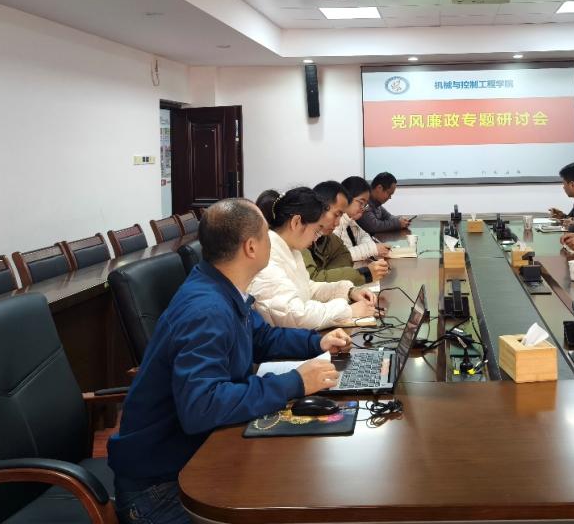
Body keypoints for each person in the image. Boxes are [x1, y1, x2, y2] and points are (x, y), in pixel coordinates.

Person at [107, 198, 350, 524]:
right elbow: (202, 405)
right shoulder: (206, 309)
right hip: (162, 488)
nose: (272, 240)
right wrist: (295, 382)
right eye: (266, 234)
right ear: (251, 247)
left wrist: (317, 342)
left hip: (195, 455)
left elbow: (262, 338)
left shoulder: (221, 287)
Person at [249, 187, 377, 329]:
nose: (316, 238)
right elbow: (296, 315)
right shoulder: (267, 256)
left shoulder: (292, 249)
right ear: (296, 222)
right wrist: (348, 311)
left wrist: (349, 291)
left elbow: (307, 289)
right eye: (316, 230)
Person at [308, 180, 388, 284]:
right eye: (361, 203)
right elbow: (313, 280)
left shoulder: (330, 234)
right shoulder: (304, 238)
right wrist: (365, 273)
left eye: (365, 205)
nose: (337, 223)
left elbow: (344, 255)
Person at [337, 175, 393, 265]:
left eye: (365, 204)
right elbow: (340, 257)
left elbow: (364, 235)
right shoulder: (335, 223)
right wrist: (372, 249)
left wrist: (371, 248)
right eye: (361, 202)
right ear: (346, 199)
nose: (363, 208)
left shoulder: (350, 220)